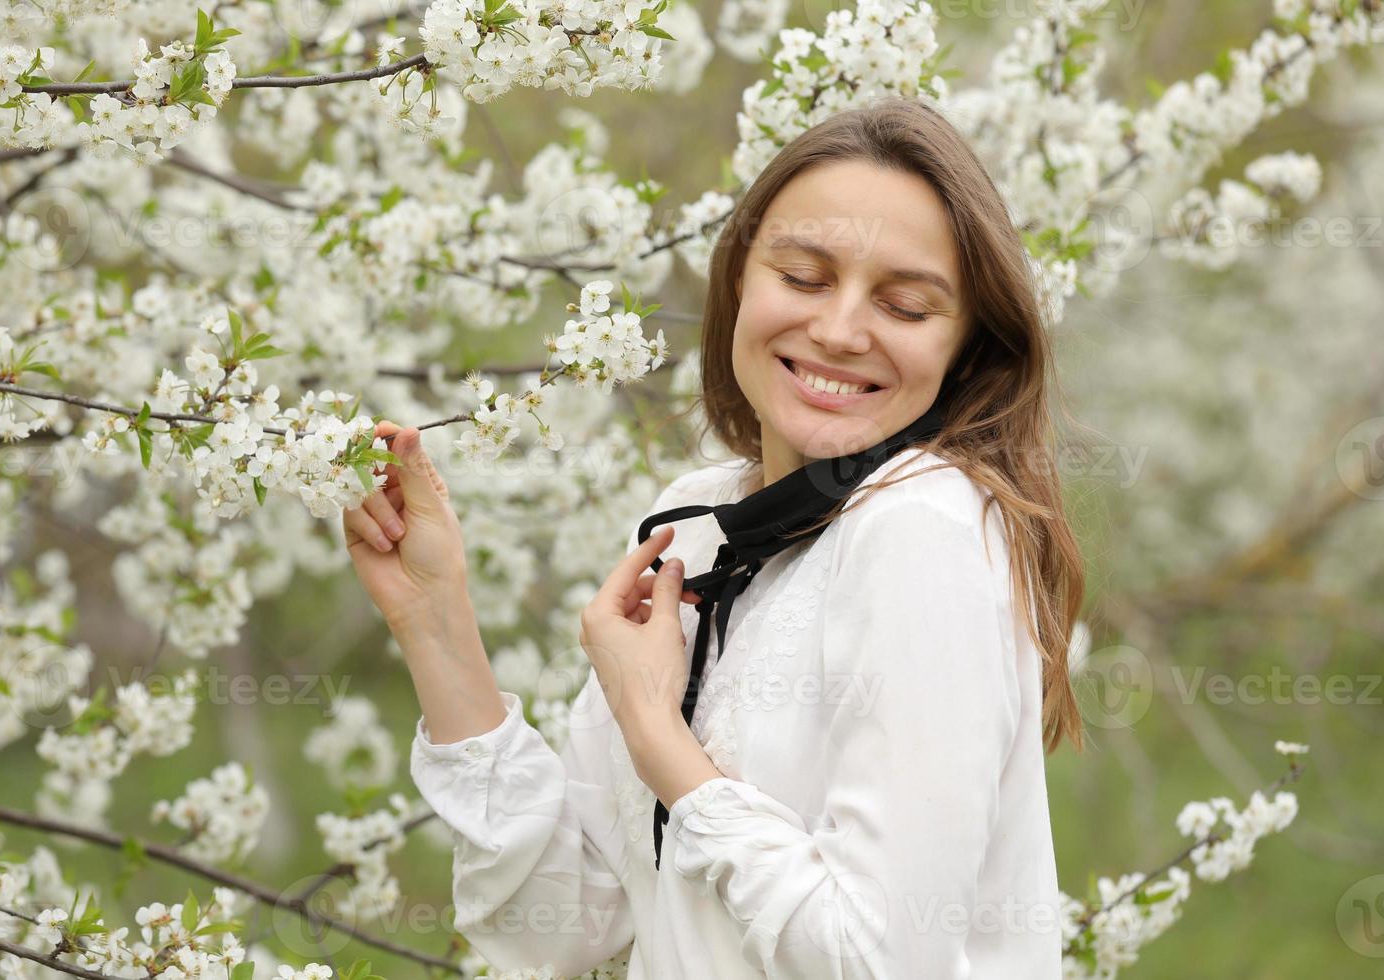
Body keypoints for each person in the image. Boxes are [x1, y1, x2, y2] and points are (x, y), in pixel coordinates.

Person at [343, 94, 1087, 979]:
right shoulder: (698, 525)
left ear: (966, 348)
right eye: (804, 277)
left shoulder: (921, 529)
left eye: (907, 306)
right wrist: (435, 615)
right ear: (738, 279)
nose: (841, 330)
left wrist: (663, 743)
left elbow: (883, 960)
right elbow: (559, 926)